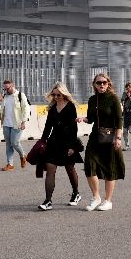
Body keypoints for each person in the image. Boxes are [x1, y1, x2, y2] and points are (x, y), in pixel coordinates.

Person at [79, 73, 125, 211]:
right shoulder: (93, 99)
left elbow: (119, 119)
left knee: (109, 167)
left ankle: (108, 200)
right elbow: (91, 118)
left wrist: (118, 138)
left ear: (108, 83)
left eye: (104, 82)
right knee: (89, 165)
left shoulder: (113, 98)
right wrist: (83, 119)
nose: (102, 85)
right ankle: (96, 197)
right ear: (94, 85)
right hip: (95, 136)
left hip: (110, 137)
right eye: (99, 83)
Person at [37, 82, 83, 211]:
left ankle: (76, 193)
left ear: (64, 94)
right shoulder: (52, 108)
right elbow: (48, 127)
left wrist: (72, 147)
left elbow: (74, 128)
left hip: (68, 143)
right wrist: (42, 142)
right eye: (54, 94)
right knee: (50, 170)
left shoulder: (70, 107)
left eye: (59, 95)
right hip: (53, 142)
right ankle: (48, 201)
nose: (56, 97)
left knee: (70, 169)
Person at [0, 79, 29, 171]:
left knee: (15, 142)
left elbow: (26, 109)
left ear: (12, 86)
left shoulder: (20, 95)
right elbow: (2, 109)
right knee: (8, 144)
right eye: (4, 89)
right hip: (6, 124)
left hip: (17, 123)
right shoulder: (5, 96)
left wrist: (23, 121)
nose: (6, 90)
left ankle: (23, 155)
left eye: (7, 88)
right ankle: (10, 164)